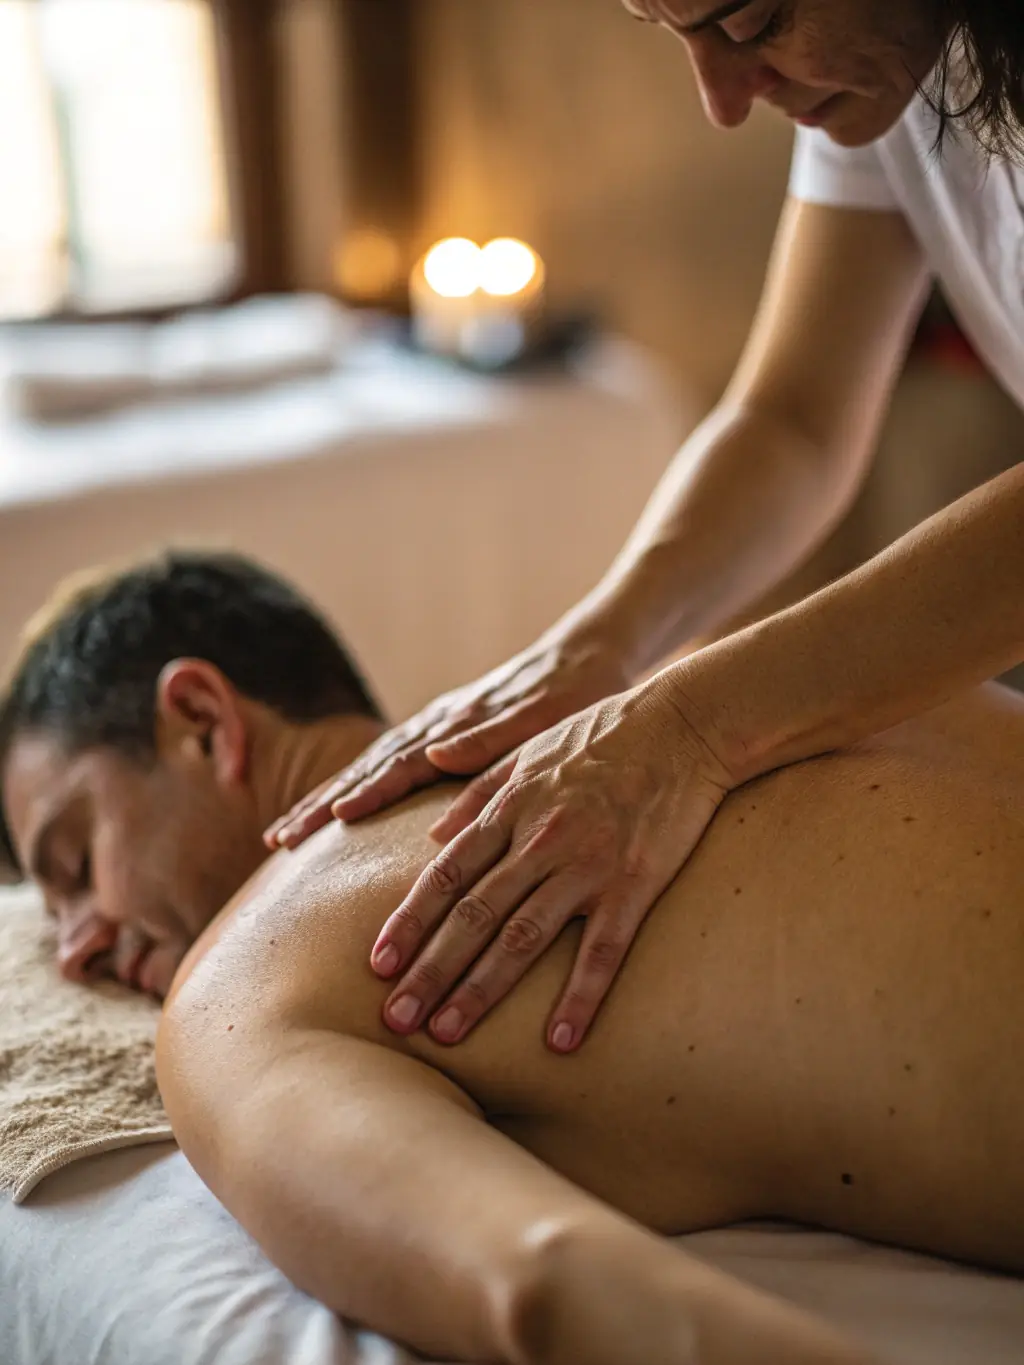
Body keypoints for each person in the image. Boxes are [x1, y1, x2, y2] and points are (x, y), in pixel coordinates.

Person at [3, 551, 1024, 1365]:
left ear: (201, 722)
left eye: (74, 860)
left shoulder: (245, 981)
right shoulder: (749, 675)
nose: (79, 943)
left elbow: (555, 1293)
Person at [265, 0, 1024, 1061]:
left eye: (754, 22)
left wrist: (693, 727)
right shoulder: (887, 66)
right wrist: (599, 645)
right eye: (673, 33)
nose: (720, 100)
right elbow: (791, 417)